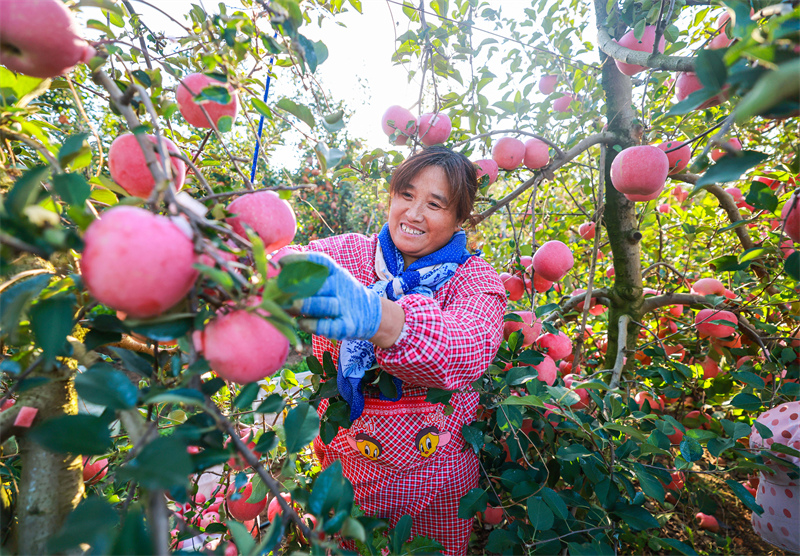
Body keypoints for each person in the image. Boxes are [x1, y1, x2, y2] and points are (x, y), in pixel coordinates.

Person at [282, 146, 506, 555]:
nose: (414, 213)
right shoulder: (346, 255)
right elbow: (288, 264)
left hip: (438, 486)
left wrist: (381, 319)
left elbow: (469, 347)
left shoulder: (475, 280)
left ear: (460, 219)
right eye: (406, 195)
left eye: (435, 204)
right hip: (351, 477)